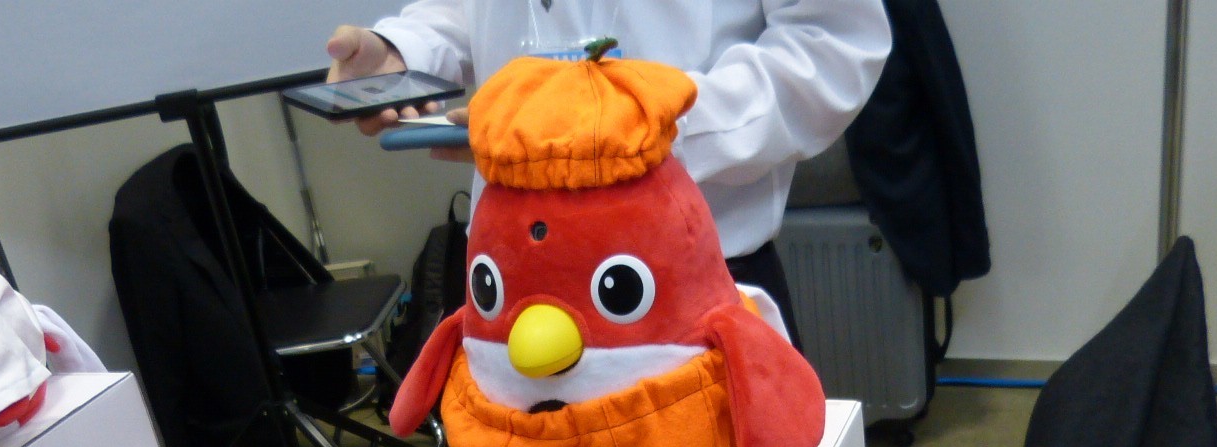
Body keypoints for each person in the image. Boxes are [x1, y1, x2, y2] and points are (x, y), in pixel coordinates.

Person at [323, 1, 890, 334]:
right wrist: (405, 50)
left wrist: (644, 122)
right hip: (510, 272)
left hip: (692, 276)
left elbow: (832, 45)